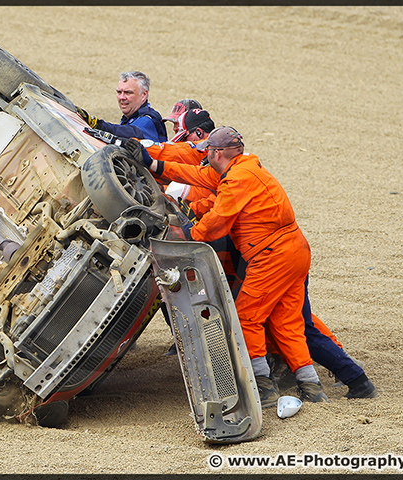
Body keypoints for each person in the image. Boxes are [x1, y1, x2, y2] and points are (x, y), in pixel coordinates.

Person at [137, 126, 330, 405]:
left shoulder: (236, 180)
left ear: (216, 153)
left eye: (207, 153)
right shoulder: (246, 168)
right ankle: (311, 386)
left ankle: (263, 386)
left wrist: (191, 236)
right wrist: (153, 164)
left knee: (246, 317)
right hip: (296, 250)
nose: (204, 158)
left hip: (271, 254)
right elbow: (198, 175)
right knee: (287, 321)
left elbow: (218, 220)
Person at [76, 71, 167, 143]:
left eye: (128, 93)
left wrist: (99, 125)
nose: (122, 97)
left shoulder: (150, 118)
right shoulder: (129, 119)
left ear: (143, 94)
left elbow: (132, 133)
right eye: (119, 92)